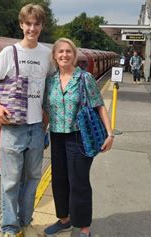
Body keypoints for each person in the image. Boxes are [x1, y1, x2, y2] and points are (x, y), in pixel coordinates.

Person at [0, 3, 54, 237]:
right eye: (28, 24)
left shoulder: (46, 54)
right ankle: (9, 227)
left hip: (37, 127)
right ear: (21, 24)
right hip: (13, 128)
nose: (32, 28)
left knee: (33, 178)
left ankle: (25, 220)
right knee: (11, 181)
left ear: (41, 26)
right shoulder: (9, 52)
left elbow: (53, 83)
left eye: (36, 24)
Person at [43, 38, 114, 237]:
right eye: (61, 52)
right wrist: (42, 132)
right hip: (57, 135)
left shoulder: (84, 78)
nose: (64, 55)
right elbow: (47, 110)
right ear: (55, 56)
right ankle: (64, 219)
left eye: (68, 52)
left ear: (74, 55)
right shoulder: (51, 81)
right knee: (59, 180)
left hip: (79, 137)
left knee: (79, 182)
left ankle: (84, 227)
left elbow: (99, 105)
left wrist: (110, 134)